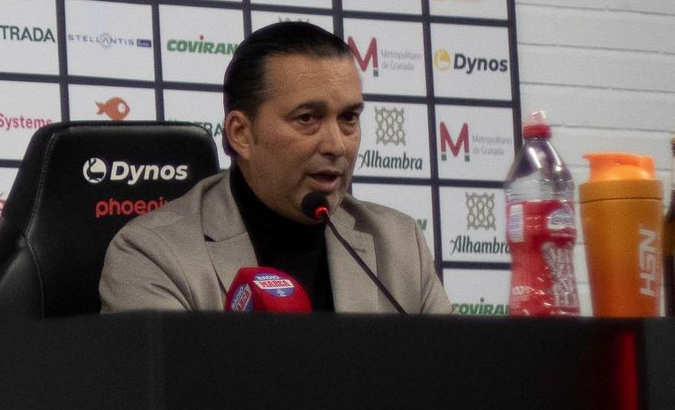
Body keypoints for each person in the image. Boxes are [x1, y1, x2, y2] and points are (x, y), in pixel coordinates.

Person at [100, 21, 451, 314]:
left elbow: (451, 383)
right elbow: (175, 392)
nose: (336, 145)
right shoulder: (155, 254)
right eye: (307, 118)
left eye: (349, 118)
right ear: (241, 133)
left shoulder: (400, 244)